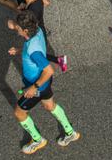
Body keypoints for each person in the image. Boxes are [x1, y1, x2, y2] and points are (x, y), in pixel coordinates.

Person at [8, 11, 80, 154]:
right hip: (44, 84)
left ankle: (37, 140)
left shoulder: (33, 51)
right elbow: (35, 49)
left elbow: (49, 70)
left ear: (26, 30)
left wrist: (33, 88)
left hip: (38, 86)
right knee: (49, 105)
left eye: (19, 28)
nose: (17, 29)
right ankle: (70, 133)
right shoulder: (38, 30)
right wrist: (20, 50)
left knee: (19, 113)